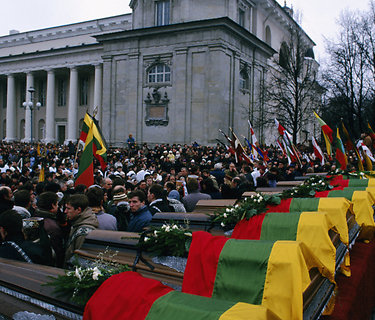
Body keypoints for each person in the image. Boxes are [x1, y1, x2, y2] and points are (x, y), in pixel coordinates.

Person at [64, 194, 99, 266]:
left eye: (69, 208)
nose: (65, 211)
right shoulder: (77, 222)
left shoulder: (84, 232)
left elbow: (79, 260)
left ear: (78, 210)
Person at [35, 192, 65, 267]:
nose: (58, 207)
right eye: (57, 204)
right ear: (53, 205)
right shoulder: (52, 226)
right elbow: (58, 250)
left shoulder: (35, 216)